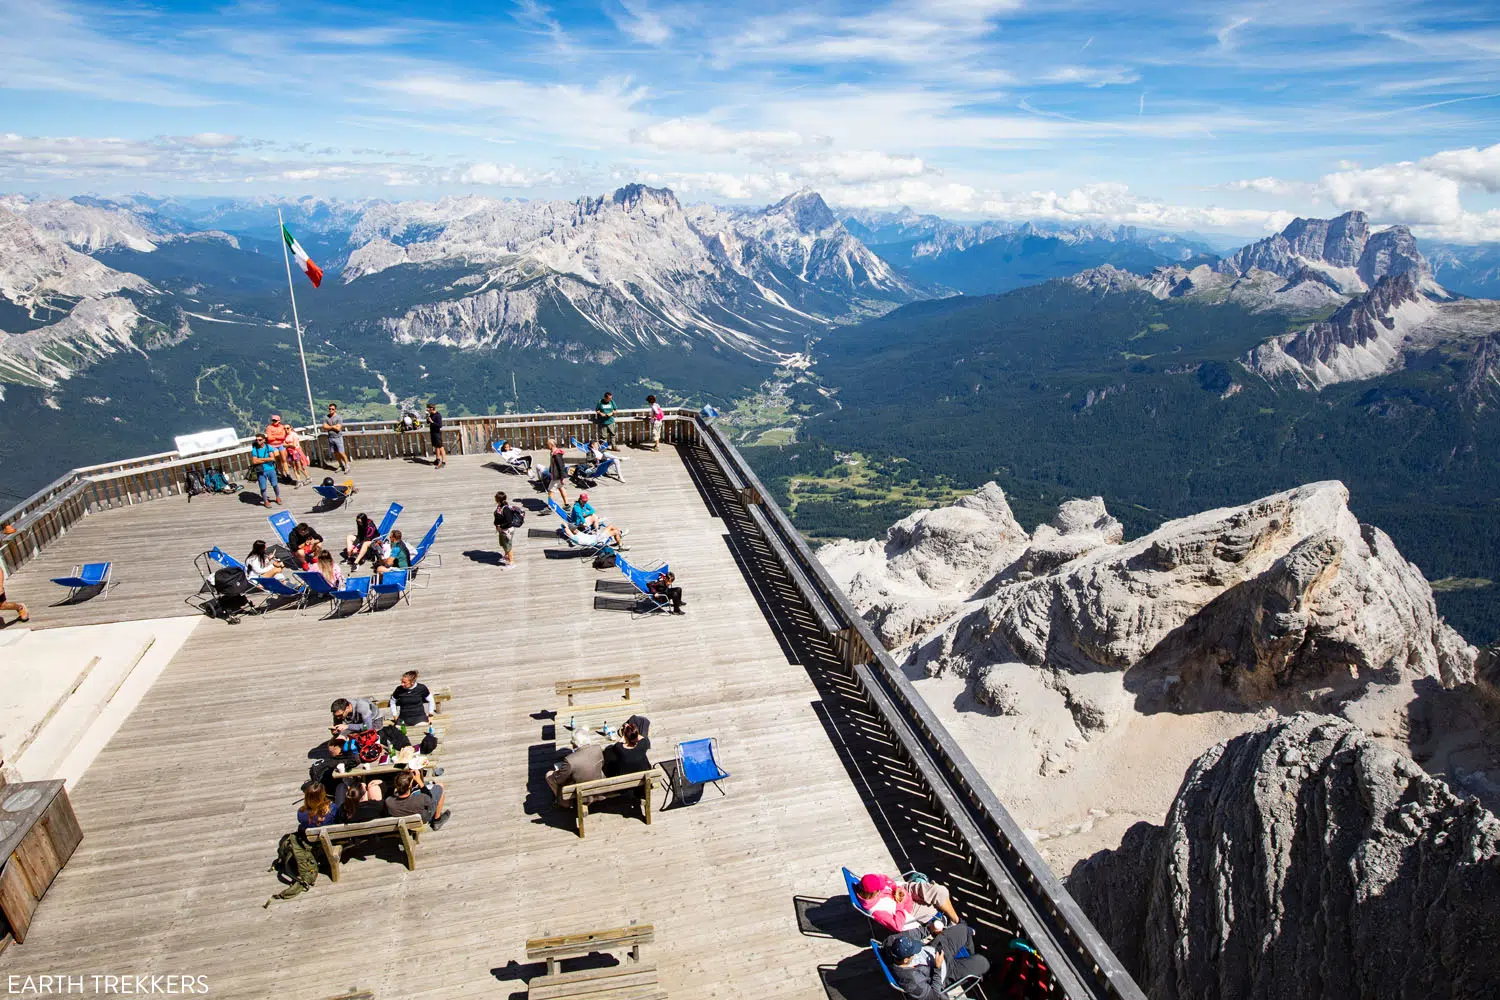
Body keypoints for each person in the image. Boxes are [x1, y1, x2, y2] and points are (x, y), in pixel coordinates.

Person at [883, 924, 990, 999]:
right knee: (984, 963)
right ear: (906, 959)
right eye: (913, 952)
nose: (916, 951)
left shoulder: (891, 943)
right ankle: (975, 966)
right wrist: (937, 968)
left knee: (963, 929)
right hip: (945, 971)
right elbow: (934, 996)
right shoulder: (911, 982)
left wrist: (929, 929)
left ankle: (971, 959)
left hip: (935, 947)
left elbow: (913, 934)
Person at [856, 873, 962, 935]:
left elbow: (887, 880)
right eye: (880, 888)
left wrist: (896, 889)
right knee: (938, 900)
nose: (882, 887)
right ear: (874, 892)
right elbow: (897, 926)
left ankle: (955, 920)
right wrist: (899, 903)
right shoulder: (877, 911)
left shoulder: (870, 881)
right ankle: (957, 921)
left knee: (940, 891)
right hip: (909, 910)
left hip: (905, 890)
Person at [385, 770, 449, 829]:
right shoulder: (420, 799)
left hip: (404, 822)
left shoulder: (388, 801)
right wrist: (419, 780)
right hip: (423, 819)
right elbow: (430, 798)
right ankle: (437, 820)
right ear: (409, 786)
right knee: (440, 787)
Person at [250, 433, 282, 507]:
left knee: (275, 485)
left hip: (270, 469)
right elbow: (254, 461)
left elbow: (272, 458)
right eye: (256, 440)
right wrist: (267, 459)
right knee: (263, 487)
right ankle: (265, 501)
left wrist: (260, 459)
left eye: (260, 440)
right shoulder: (255, 449)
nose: (258, 441)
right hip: (260, 471)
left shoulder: (268, 447)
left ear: (264, 440)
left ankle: (278, 497)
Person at [494, 491, 522, 566]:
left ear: (498, 499)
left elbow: (509, 522)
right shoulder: (500, 506)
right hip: (502, 530)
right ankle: (506, 556)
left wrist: (501, 527)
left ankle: (511, 562)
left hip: (507, 530)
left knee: (508, 546)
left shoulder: (505, 509)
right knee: (503, 544)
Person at [322, 403, 350, 473]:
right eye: (329, 409)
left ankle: (347, 466)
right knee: (335, 453)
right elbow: (324, 427)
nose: (331, 410)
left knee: (341, 453)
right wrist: (333, 426)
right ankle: (341, 465)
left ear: (335, 410)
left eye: (332, 409)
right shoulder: (326, 417)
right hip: (330, 437)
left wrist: (329, 427)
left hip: (338, 437)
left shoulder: (339, 418)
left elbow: (338, 428)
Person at [543, 439, 569, 504]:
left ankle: (550, 506)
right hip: (555, 475)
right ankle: (566, 504)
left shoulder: (557, 454)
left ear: (552, 445)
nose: (547, 446)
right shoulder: (552, 452)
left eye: (548, 444)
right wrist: (550, 470)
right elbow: (553, 463)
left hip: (556, 476)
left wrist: (562, 478)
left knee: (550, 490)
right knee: (561, 488)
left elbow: (561, 466)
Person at [426, 402, 446, 469]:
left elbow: (440, 425)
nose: (427, 409)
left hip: (437, 433)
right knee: (436, 446)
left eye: (428, 408)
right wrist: (428, 417)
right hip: (433, 432)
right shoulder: (431, 414)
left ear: (432, 408)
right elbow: (428, 422)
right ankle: (437, 460)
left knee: (441, 447)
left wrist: (432, 422)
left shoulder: (438, 415)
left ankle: (443, 462)